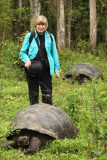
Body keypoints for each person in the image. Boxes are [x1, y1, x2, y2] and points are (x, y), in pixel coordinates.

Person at [19, 15, 60, 105]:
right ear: (36, 25)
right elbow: (22, 52)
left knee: (47, 95)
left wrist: (56, 69)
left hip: (46, 69)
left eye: (43, 25)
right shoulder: (29, 36)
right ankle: (34, 117)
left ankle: (47, 117)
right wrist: (27, 60)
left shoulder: (50, 37)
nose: (41, 27)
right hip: (33, 69)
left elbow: (54, 53)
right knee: (33, 95)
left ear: (46, 26)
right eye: (39, 24)